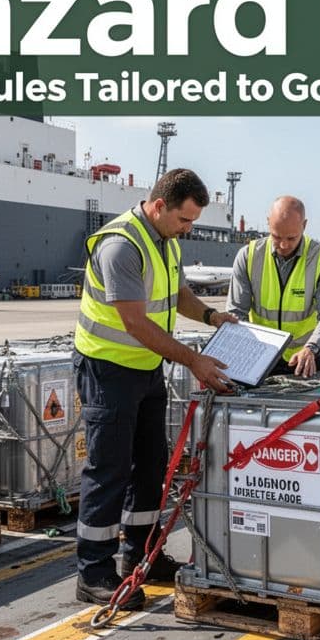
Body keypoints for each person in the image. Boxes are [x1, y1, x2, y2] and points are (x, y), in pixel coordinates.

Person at [72, 168, 237, 608]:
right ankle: (93, 572)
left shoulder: (165, 240)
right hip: (108, 371)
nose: (189, 229)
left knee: (150, 466)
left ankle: (141, 556)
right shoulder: (121, 245)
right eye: (185, 220)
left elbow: (177, 292)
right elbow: (135, 321)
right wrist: (194, 360)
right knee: (108, 471)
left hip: (145, 369)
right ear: (159, 206)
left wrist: (209, 316)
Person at [226, 196, 320, 378]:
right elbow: (236, 312)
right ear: (268, 223)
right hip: (260, 359)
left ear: (304, 226)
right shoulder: (248, 256)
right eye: (276, 236)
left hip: (306, 359)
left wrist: (313, 347)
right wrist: (251, 350)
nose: (283, 244)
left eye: (291, 238)